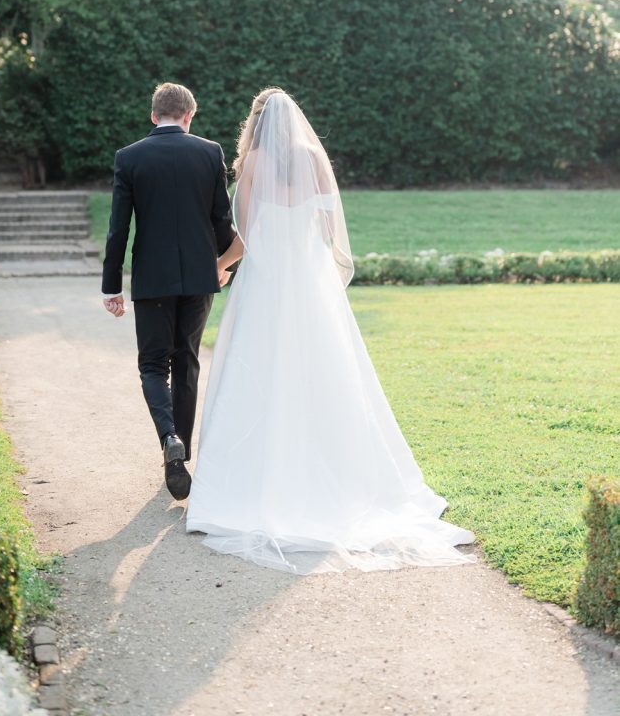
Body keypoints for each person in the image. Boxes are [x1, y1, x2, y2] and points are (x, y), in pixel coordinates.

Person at [186, 88, 475, 574]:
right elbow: (326, 228)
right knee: (324, 373)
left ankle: (254, 480)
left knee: (258, 372)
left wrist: (221, 264)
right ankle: (335, 476)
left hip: (268, 283)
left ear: (256, 123)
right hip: (310, 284)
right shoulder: (314, 159)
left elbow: (247, 235)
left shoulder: (253, 162)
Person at [102, 82, 233, 501]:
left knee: (153, 365)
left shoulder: (129, 157)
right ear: (189, 115)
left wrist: (111, 286)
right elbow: (221, 219)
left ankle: (168, 439)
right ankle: (182, 457)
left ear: (153, 115)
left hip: (152, 279)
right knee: (187, 360)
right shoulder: (210, 152)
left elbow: (118, 228)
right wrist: (228, 267)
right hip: (199, 277)